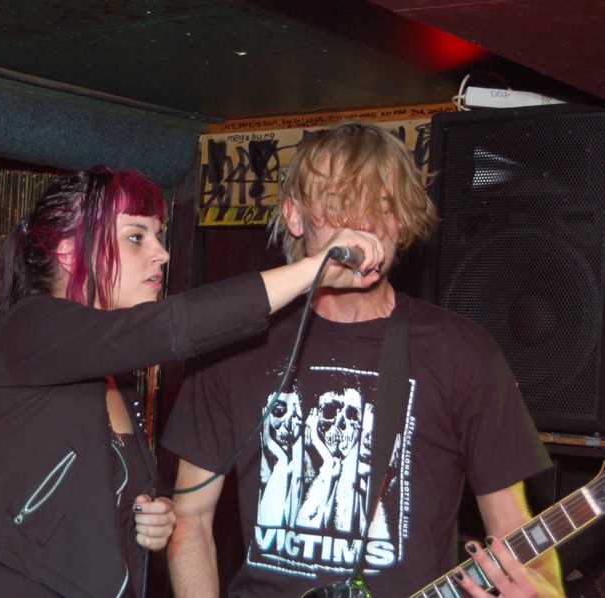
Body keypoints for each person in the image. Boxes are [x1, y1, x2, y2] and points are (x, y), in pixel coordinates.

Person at [0, 166, 385, 598]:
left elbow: (76, 511)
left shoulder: (113, 376)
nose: (161, 253)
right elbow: (170, 326)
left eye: (159, 236)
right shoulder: (29, 327)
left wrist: (147, 517)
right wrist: (311, 270)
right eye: (135, 237)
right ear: (69, 252)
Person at [162, 121, 564, 597]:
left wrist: (543, 590)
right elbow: (190, 517)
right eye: (339, 203)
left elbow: (517, 529)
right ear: (295, 216)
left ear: (402, 223)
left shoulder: (462, 352)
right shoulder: (236, 342)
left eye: (383, 206)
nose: (364, 225)